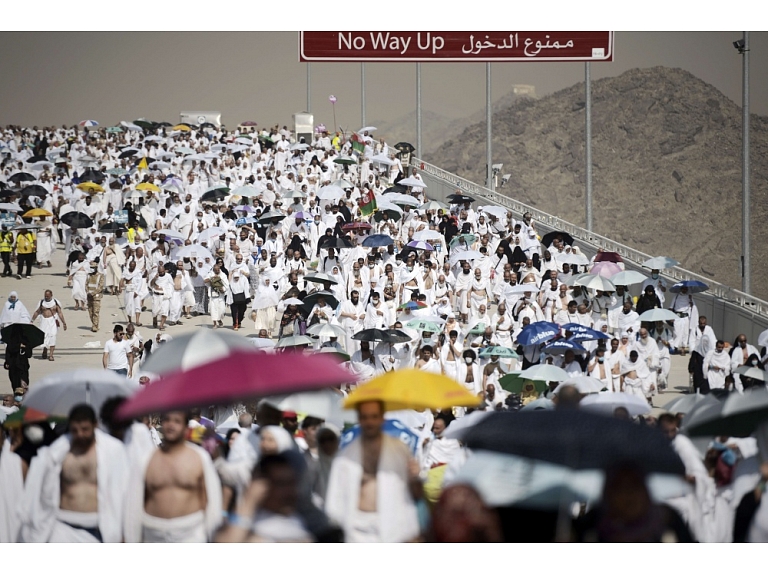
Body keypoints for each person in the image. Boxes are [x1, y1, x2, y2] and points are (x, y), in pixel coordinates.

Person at [20, 404, 129, 542]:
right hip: (63, 529)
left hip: (99, 528)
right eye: (75, 430)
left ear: (95, 425)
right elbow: (43, 491)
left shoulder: (113, 451)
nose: (80, 434)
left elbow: (125, 491)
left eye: (85, 429)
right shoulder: (58, 452)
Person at [325, 400, 422, 542]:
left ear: (382, 418)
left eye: (374, 416)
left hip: (392, 525)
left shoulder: (400, 450)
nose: (369, 422)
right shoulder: (346, 455)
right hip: (356, 527)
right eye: (365, 417)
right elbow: (336, 494)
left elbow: (415, 495)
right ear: (359, 419)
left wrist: (415, 477)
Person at [124, 410, 222, 543]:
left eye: (177, 421)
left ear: (186, 427)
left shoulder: (199, 458)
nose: (171, 425)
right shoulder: (147, 459)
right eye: (167, 420)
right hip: (153, 535)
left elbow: (212, 500)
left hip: (191, 534)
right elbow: (134, 503)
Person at [30, 290, 67, 361]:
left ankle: (51, 355)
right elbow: (37, 312)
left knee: (52, 336)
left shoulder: (55, 303)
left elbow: (60, 313)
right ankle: (44, 350)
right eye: (45, 296)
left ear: (51, 295)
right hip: (44, 321)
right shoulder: (41, 302)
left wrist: (64, 323)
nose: (46, 297)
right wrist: (32, 321)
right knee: (44, 337)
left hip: (52, 321)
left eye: (48, 296)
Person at [149, 264, 173, 331]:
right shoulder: (154, 275)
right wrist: (155, 278)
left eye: (163, 272)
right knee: (154, 311)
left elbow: (171, 285)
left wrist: (164, 289)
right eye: (160, 272)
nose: (162, 273)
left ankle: (161, 325)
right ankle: (154, 318)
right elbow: (151, 284)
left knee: (165, 311)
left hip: (165, 296)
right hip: (156, 296)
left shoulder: (168, 276)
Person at [86, 262, 105, 333]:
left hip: (96, 297)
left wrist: (93, 293)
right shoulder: (88, 275)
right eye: (91, 268)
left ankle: (95, 326)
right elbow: (86, 284)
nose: (92, 269)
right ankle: (94, 324)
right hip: (89, 296)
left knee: (95, 312)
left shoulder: (100, 276)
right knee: (90, 312)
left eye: (93, 268)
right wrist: (88, 292)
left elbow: (100, 287)